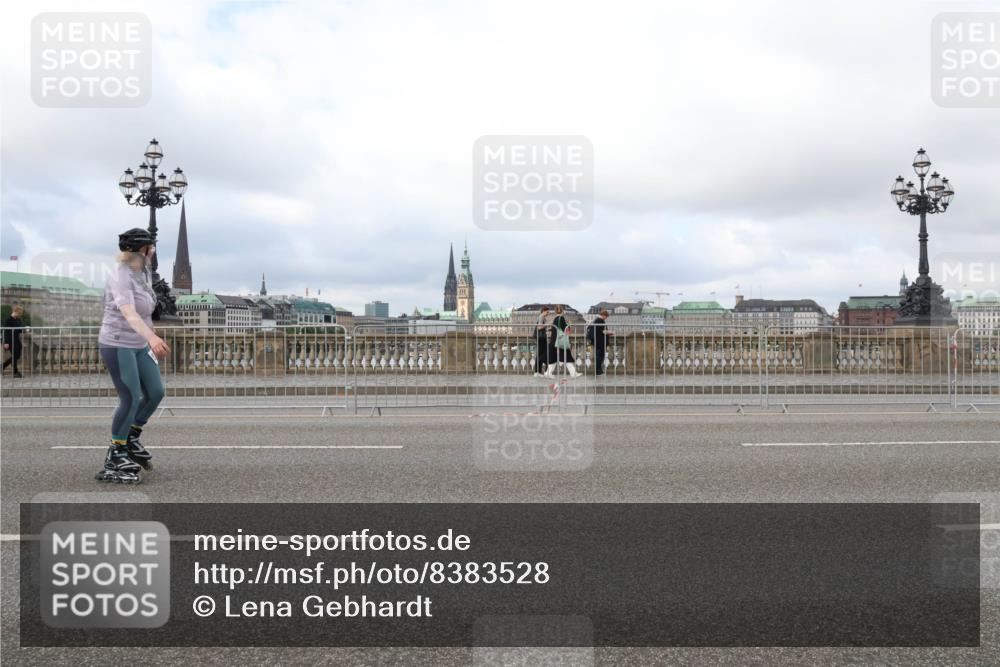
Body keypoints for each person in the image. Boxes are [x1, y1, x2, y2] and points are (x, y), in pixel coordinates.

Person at [95, 227, 170, 484]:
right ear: (142, 249)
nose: (154, 250)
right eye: (152, 246)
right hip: (118, 343)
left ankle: (132, 436)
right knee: (131, 396)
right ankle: (115, 452)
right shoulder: (121, 276)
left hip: (139, 343)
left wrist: (152, 331)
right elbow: (129, 313)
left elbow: (147, 310)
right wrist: (153, 337)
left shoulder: (143, 273)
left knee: (156, 392)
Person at [546, 305, 580, 378]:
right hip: (561, 341)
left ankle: (548, 373)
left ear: (555, 311)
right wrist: (569, 325)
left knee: (554, 357)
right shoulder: (561, 318)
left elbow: (554, 329)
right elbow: (566, 330)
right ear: (563, 311)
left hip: (554, 340)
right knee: (567, 356)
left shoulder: (555, 319)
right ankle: (573, 373)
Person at [586, 308, 615, 376]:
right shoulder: (600, 320)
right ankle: (598, 371)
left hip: (597, 340)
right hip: (600, 341)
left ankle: (599, 370)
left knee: (599, 355)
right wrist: (611, 332)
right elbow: (603, 331)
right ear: (603, 315)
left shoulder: (595, 320)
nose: (606, 318)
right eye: (606, 316)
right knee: (600, 356)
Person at [2, 305, 25, 378]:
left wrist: (26, 330)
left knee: (16, 356)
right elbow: (6, 331)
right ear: (15, 311)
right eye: (19, 313)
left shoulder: (18, 319)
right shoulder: (8, 319)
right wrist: (6, 342)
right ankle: (15, 372)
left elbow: (19, 330)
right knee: (14, 356)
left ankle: (2, 367)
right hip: (10, 340)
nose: (20, 315)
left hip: (16, 340)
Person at [533, 306, 552, 377]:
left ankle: (539, 371)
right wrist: (548, 324)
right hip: (541, 337)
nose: (548, 313)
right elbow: (539, 327)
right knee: (541, 354)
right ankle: (537, 372)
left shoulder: (543, 317)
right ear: (543, 311)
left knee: (542, 354)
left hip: (542, 337)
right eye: (547, 312)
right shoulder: (541, 316)